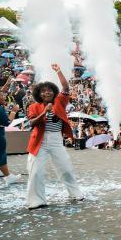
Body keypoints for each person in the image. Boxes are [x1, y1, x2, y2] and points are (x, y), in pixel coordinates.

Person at [26, 64, 84, 209]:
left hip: (56, 140)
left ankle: (75, 193)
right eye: (44, 91)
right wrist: (45, 112)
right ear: (39, 94)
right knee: (36, 172)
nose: (47, 93)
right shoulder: (34, 107)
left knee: (66, 168)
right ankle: (36, 200)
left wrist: (58, 71)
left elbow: (65, 88)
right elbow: (32, 123)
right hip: (40, 141)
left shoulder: (60, 101)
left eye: (50, 90)